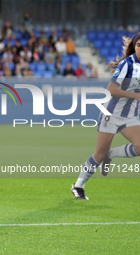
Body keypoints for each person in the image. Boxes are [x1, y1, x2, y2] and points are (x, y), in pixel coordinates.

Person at [71, 33, 140, 200]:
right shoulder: (127, 64)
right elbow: (111, 89)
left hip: (131, 116)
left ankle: (112, 154)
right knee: (99, 155)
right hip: (111, 113)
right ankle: (78, 186)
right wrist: (136, 96)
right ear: (135, 47)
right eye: (139, 45)